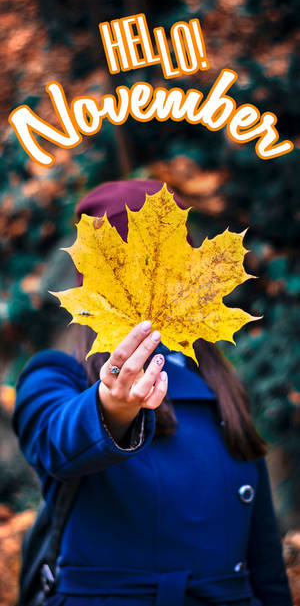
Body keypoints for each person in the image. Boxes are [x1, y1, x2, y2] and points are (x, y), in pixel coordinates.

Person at [12, 179, 293, 606]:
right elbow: (55, 439)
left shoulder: (221, 388)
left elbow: (263, 555)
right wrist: (110, 407)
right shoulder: (58, 376)